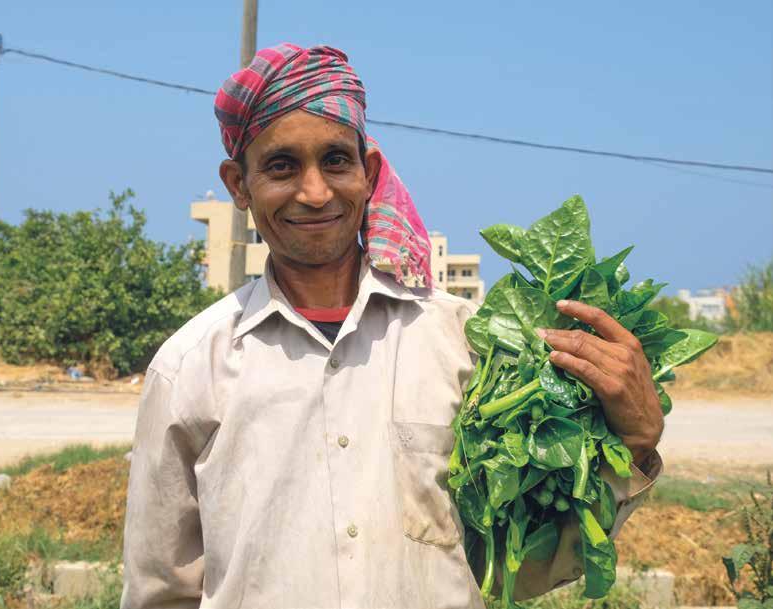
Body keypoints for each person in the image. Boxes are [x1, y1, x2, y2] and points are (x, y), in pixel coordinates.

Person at [120, 43, 664, 609]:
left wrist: (637, 444)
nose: (314, 191)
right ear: (238, 184)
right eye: (281, 166)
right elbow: (161, 590)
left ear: (369, 170)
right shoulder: (190, 368)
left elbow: (518, 566)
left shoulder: (469, 344)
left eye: (335, 160)